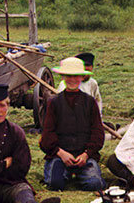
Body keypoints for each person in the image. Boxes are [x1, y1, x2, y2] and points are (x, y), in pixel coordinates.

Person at [40, 56, 106, 191]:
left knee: (95, 184)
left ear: (82, 77)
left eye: (76, 76)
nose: (72, 80)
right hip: (60, 156)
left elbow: (98, 133)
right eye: (69, 76)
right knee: (55, 184)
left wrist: (86, 154)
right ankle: (64, 173)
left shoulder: (90, 102)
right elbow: (47, 134)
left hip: (84, 157)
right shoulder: (54, 103)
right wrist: (60, 152)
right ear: (63, 76)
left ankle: (79, 173)